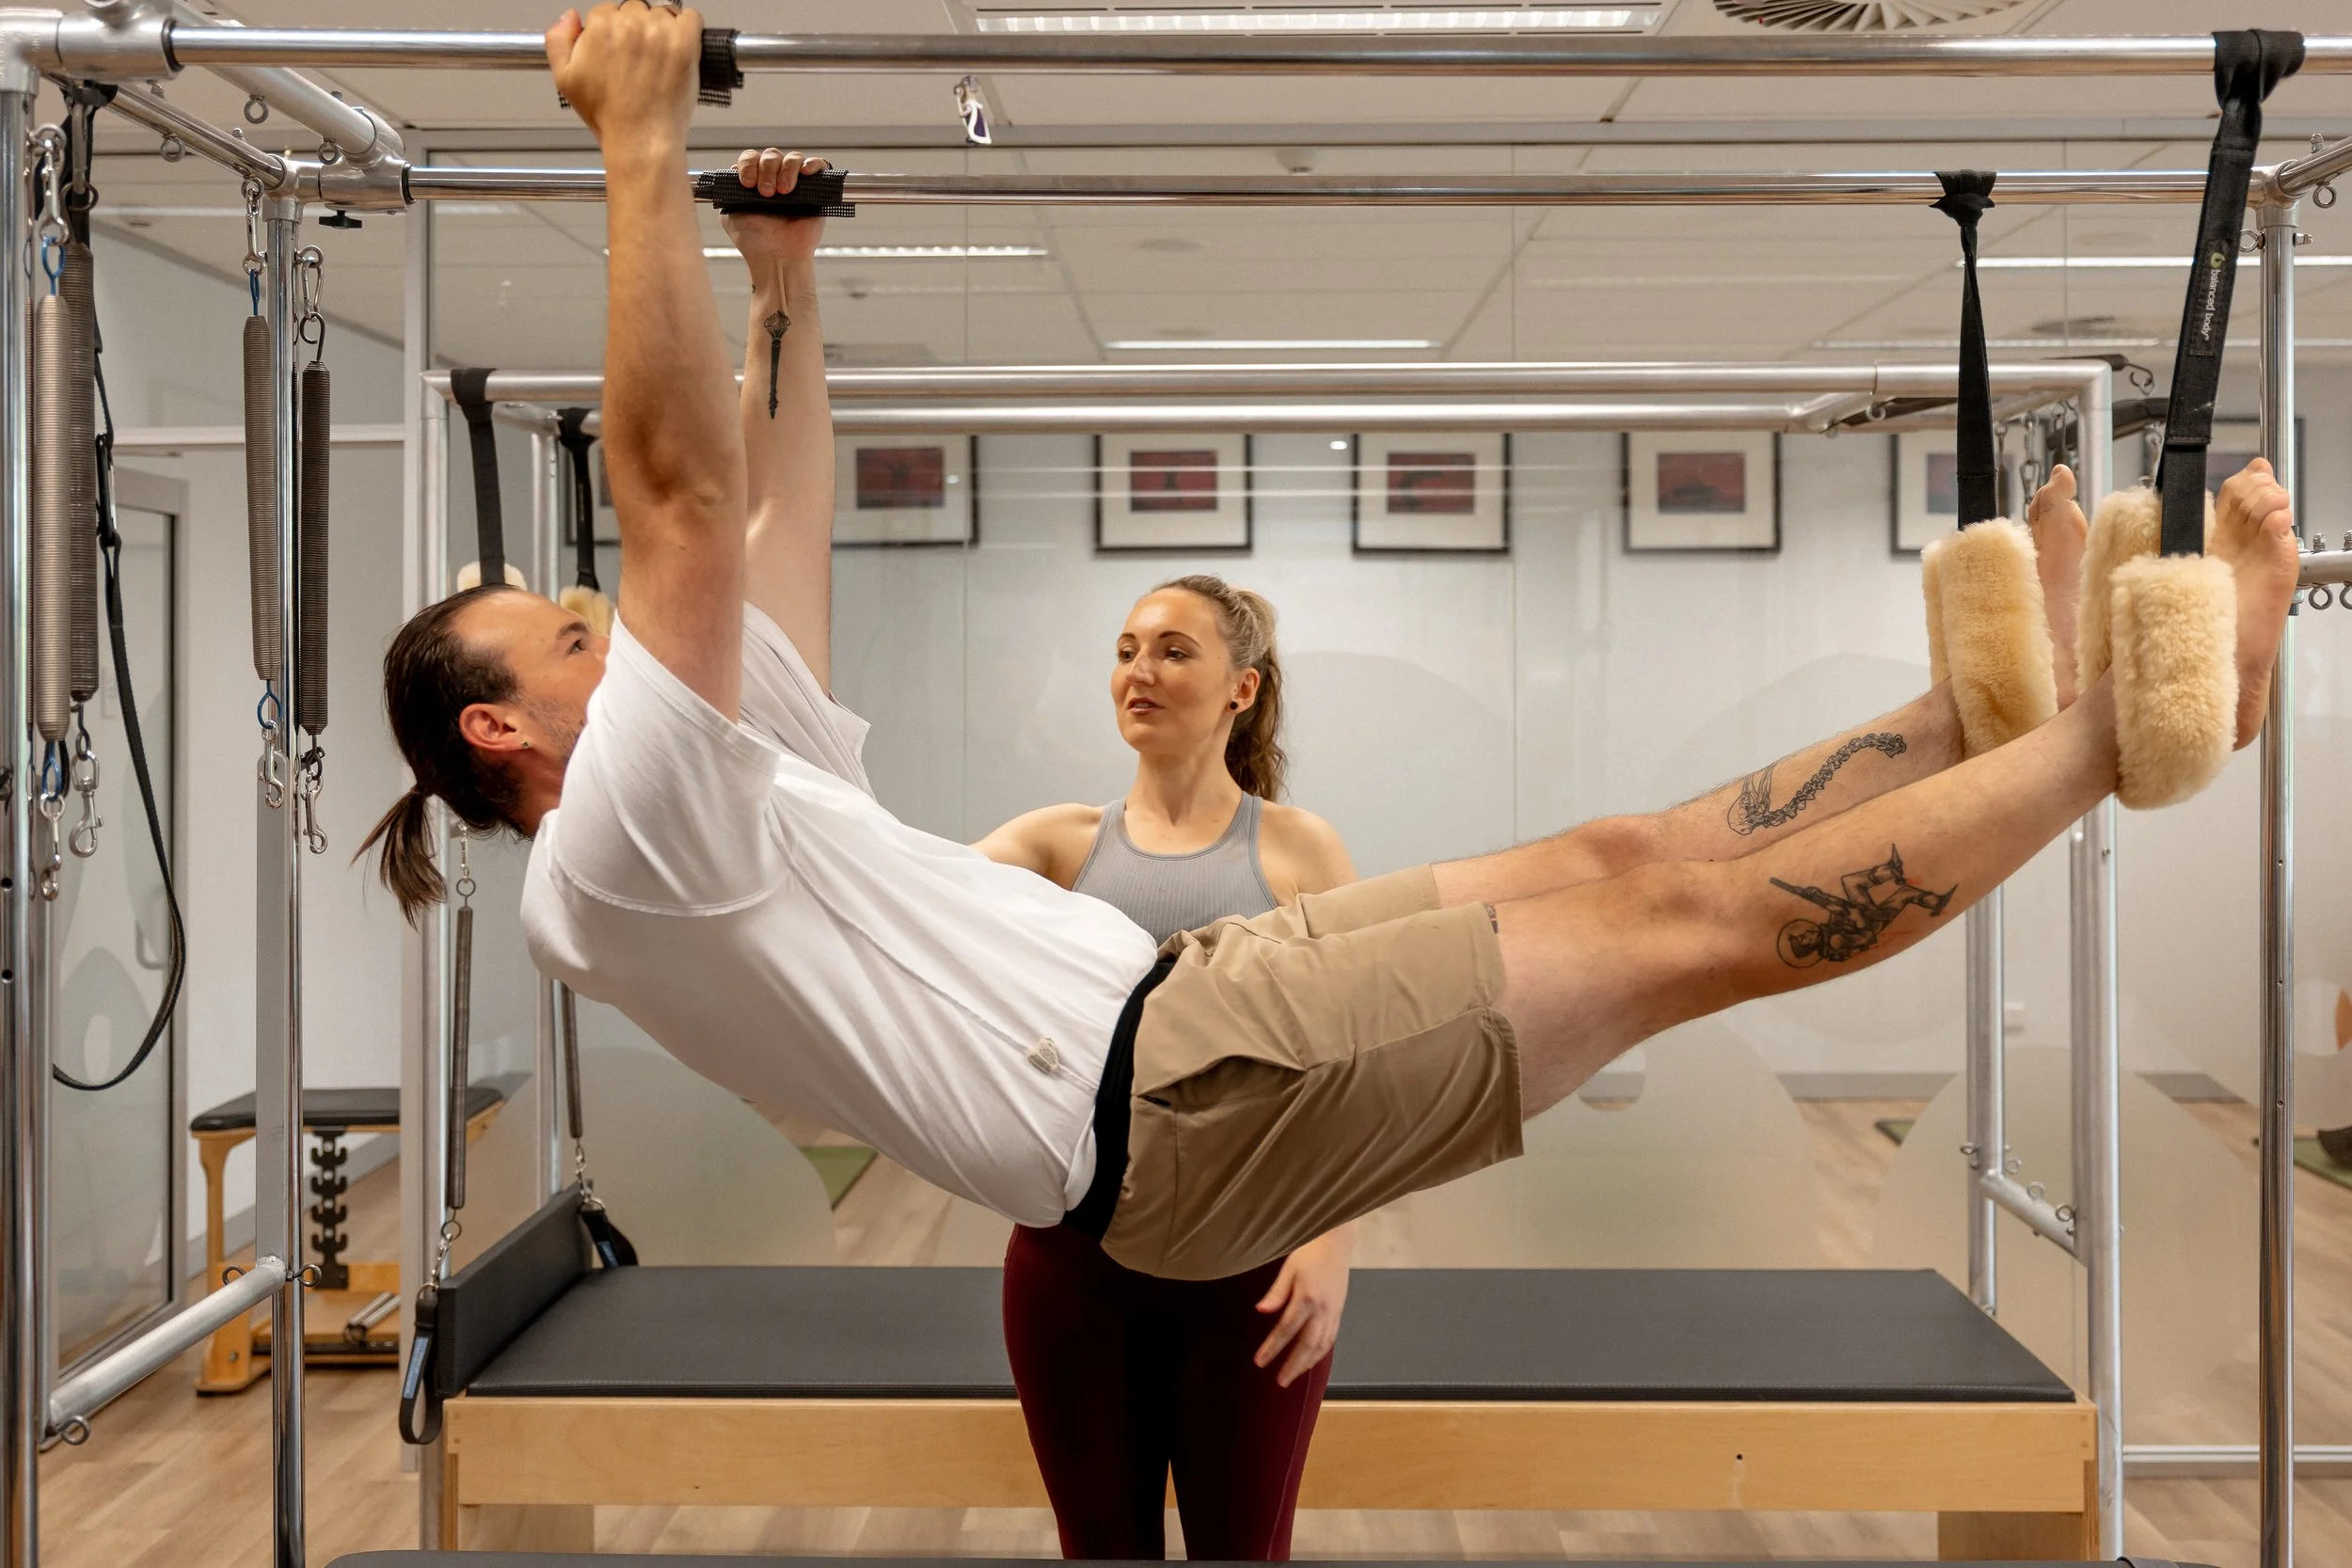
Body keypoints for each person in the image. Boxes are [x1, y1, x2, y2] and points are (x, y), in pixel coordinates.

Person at [366, 4, 2303, 1289]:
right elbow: (684, 504)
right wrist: (631, 146)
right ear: (501, 728)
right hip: (1158, 1108)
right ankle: (2138, 719)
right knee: (1678, 942)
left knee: (1630, 855)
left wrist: (778, 281)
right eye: (560, 627)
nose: (602, 618)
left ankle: (1969, 703)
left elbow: (768, 530)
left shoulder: (703, 776)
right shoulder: (612, 853)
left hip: (1199, 994)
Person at [976, 576, 1356, 1560]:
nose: (1137, 671)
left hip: (1251, 1273)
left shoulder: (1298, 848)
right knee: (1100, 1545)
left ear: (1242, 688)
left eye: (1174, 650)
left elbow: (1356, 1065)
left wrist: (1328, 1244)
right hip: (1073, 1265)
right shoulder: (1052, 844)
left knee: (1243, 1548)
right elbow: (895, 898)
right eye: (1125, 648)